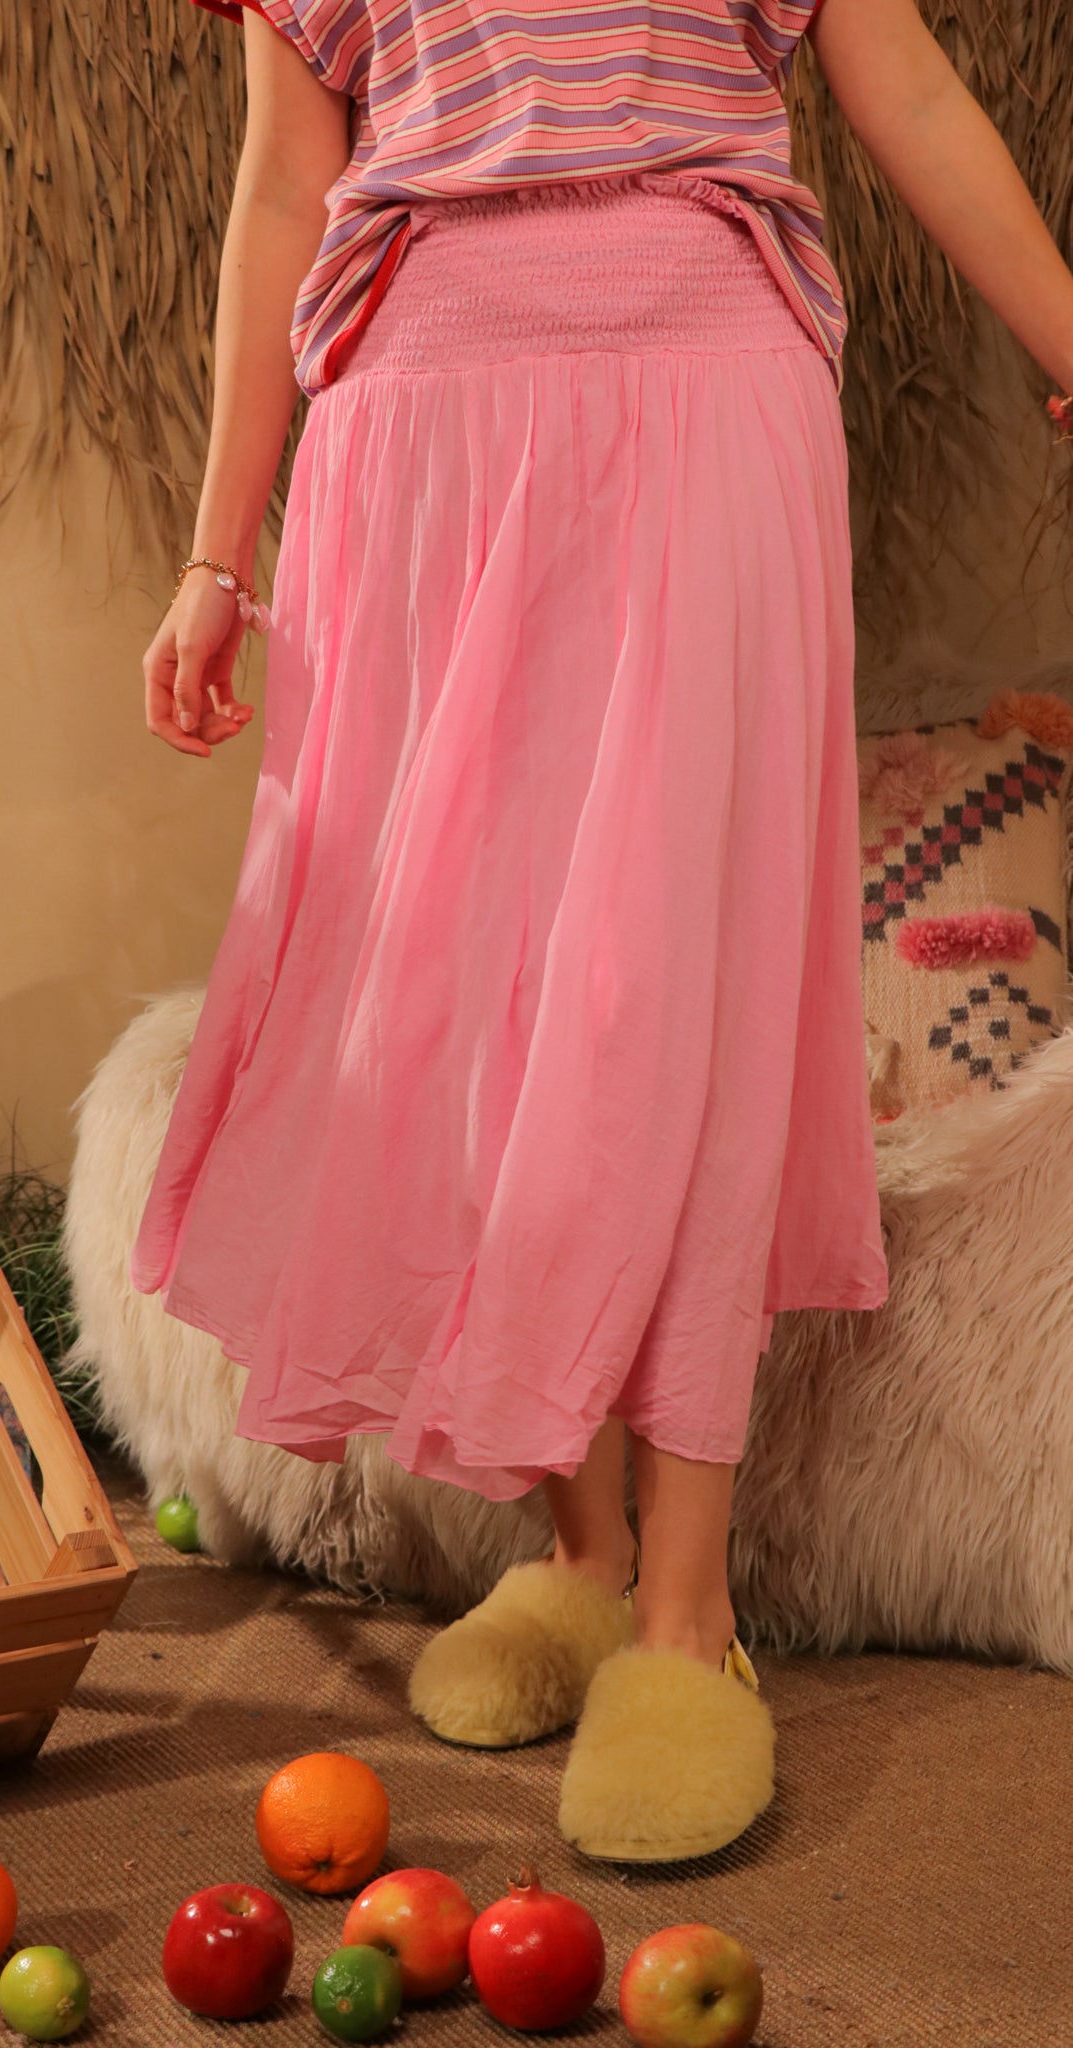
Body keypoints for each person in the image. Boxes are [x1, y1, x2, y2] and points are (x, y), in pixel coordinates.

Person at [131, 0, 1073, 1862]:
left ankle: (686, 1616)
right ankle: (576, 1554)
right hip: (416, 418)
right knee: (474, 994)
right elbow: (281, 188)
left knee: (674, 985)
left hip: (700, 374)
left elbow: (901, 81)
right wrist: (216, 554)